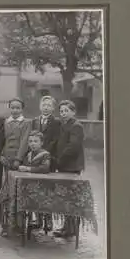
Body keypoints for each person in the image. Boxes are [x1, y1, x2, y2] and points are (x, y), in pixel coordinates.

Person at [0, 97, 32, 237]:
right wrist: (1, 155)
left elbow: (25, 142)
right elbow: (1, 140)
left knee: (18, 192)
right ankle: (6, 223)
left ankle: (18, 224)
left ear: (22, 109)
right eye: (12, 107)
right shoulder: (5, 122)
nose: (15, 110)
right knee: (6, 190)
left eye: (18, 108)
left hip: (19, 162)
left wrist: (18, 159)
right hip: (6, 161)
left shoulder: (26, 123)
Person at [53, 100, 85, 239]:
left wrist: (59, 160)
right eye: (61, 111)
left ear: (73, 112)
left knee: (70, 197)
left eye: (66, 111)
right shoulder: (63, 125)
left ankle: (71, 229)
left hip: (71, 166)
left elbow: (73, 147)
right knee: (65, 197)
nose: (63, 114)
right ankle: (67, 227)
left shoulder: (76, 126)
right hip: (64, 166)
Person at [32, 95, 61, 232]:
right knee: (36, 189)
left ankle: (48, 220)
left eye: (49, 105)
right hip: (35, 160)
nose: (46, 107)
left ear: (53, 108)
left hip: (49, 159)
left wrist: (44, 152)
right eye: (44, 105)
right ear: (40, 106)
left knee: (48, 191)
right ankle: (37, 218)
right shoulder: (35, 121)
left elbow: (55, 141)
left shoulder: (56, 122)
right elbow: (32, 138)